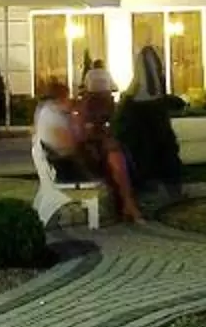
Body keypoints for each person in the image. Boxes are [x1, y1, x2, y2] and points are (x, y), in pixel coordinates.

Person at [34, 75, 140, 223]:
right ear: (58, 99)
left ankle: (124, 204)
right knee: (115, 158)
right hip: (67, 169)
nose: (70, 100)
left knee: (115, 155)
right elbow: (70, 146)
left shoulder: (49, 113)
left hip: (63, 164)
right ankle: (128, 204)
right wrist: (79, 123)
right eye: (67, 97)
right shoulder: (52, 116)